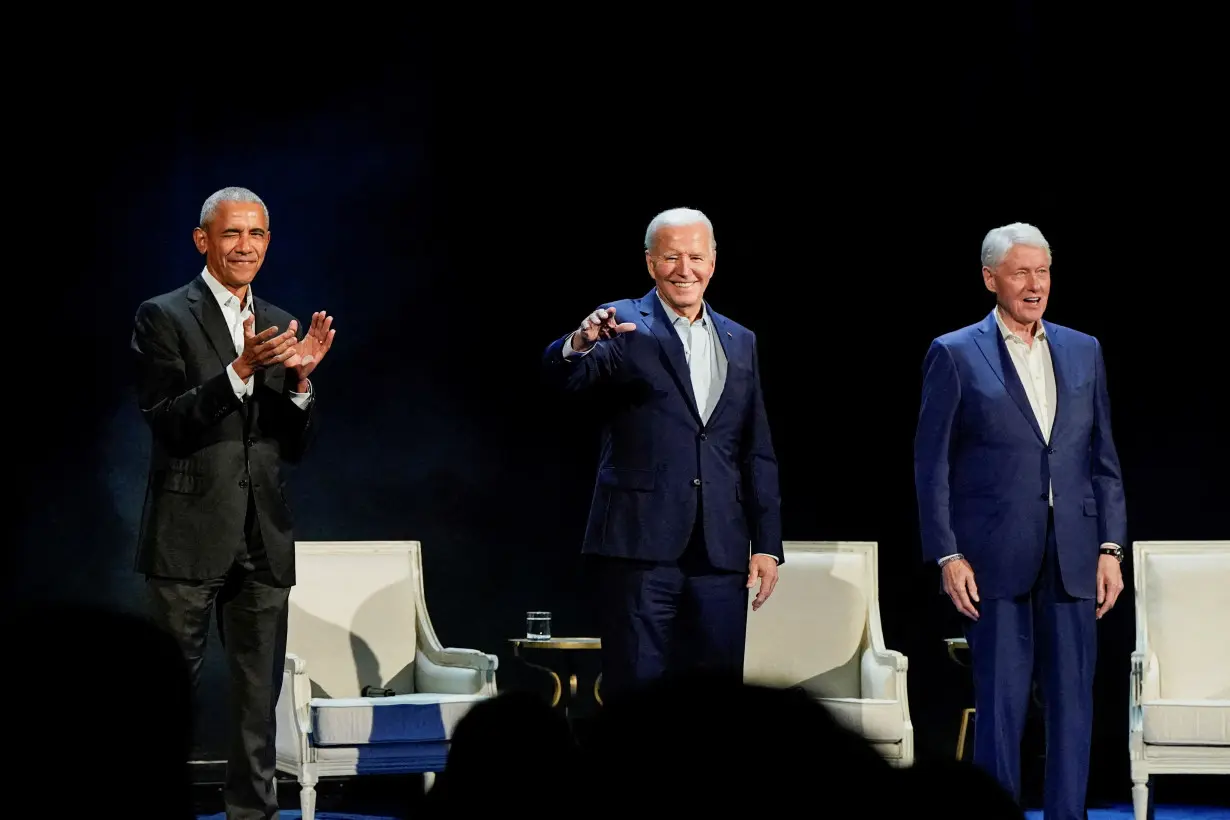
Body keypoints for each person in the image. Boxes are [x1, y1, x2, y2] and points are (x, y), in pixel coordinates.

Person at [131, 186, 336, 820]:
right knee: (169, 695)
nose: (244, 246)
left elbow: (289, 447)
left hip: (262, 536)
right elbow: (167, 421)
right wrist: (239, 370)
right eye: (231, 234)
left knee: (257, 698)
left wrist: (300, 386)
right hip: (187, 532)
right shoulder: (163, 315)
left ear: (268, 243)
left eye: (256, 235)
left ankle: (254, 814)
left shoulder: (277, 318)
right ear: (203, 241)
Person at [913, 222, 1127, 820]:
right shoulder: (954, 352)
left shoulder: (1084, 348)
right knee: (1001, 707)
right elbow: (931, 467)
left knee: (1072, 706)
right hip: (991, 558)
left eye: (1044, 272)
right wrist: (947, 555)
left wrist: (1110, 548)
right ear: (991, 279)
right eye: (1021, 273)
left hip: (1075, 555)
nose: (1035, 285)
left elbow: (1103, 460)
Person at [541, 207, 782, 703]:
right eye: (671, 257)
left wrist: (766, 543)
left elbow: (756, 449)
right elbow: (565, 377)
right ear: (651, 263)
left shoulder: (741, 339)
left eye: (695, 256)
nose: (684, 269)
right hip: (639, 544)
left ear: (713, 262)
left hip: (721, 549)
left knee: (717, 698)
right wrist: (580, 343)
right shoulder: (620, 322)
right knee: (637, 693)